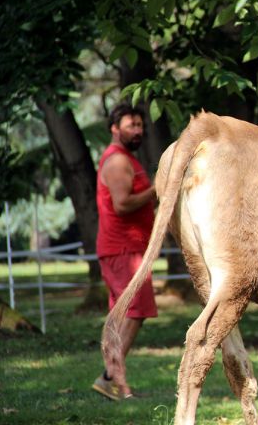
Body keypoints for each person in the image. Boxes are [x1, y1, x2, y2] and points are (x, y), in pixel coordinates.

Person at [91, 103, 158, 401]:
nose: (138, 130)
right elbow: (122, 204)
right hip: (123, 249)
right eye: (131, 125)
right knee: (136, 311)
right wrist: (158, 189)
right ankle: (110, 378)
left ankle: (118, 385)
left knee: (121, 317)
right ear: (114, 128)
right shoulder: (118, 161)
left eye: (140, 125)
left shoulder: (125, 158)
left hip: (125, 248)